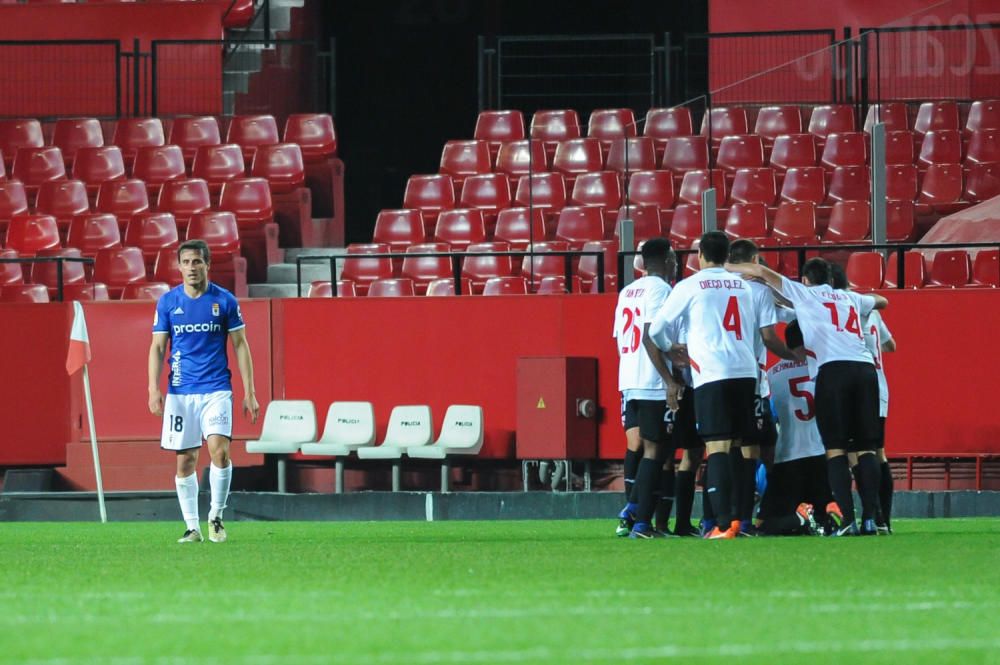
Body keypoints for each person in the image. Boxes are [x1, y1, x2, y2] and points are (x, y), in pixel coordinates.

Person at [645, 231, 797, 539]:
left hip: (712, 373)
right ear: (726, 255)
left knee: (716, 447)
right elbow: (773, 323)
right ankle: (742, 520)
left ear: (700, 254)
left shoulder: (690, 285)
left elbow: (658, 329)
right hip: (746, 373)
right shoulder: (745, 286)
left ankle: (721, 523)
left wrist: (672, 348)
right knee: (743, 448)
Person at [725, 256, 888, 535]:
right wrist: (854, 299)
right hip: (865, 370)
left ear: (805, 280)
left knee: (835, 449)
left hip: (832, 370)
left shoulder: (803, 293)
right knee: (865, 449)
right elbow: (882, 301)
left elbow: (762, 271)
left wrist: (728, 267)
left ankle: (848, 520)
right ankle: (872, 520)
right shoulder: (848, 297)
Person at [148, 239, 259, 543]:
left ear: (207, 265)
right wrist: (152, 388)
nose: (191, 267)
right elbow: (158, 348)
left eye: (197, 261)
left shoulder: (224, 301)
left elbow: (240, 344)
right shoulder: (168, 303)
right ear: (179, 266)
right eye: (186, 262)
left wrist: (250, 391)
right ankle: (191, 526)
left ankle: (216, 516)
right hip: (181, 392)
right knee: (185, 460)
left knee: (219, 452)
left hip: (216, 389)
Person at [613, 238, 676, 538]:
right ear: (664, 260)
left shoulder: (627, 291)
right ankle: (637, 515)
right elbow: (652, 335)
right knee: (656, 450)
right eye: (674, 257)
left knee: (636, 446)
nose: (676, 262)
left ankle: (633, 513)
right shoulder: (661, 290)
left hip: (628, 378)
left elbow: (618, 338)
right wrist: (669, 378)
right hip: (651, 380)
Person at [829, 263, 897, 533]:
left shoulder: (838, 308)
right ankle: (881, 519)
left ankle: (868, 514)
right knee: (876, 452)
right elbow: (891, 345)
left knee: (849, 452)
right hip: (878, 386)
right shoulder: (867, 306)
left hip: (855, 386)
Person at [727, 239, 785, 535]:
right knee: (762, 451)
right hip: (753, 381)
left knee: (723, 448)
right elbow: (770, 335)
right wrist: (792, 354)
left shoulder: (717, 288)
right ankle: (755, 518)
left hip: (719, 378)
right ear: (753, 260)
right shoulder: (759, 290)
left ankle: (720, 519)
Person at [758, 321, 834, 536]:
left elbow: (769, 414)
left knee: (766, 525)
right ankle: (813, 518)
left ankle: (800, 519)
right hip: (820, 453)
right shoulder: (821, 367)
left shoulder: (772, 374)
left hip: (787, 456)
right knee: (828, 518)